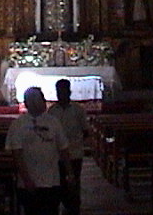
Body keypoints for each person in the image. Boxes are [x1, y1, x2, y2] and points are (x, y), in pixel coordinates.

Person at [5, 86, 73, 215]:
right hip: (29, 182)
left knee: (51, 210)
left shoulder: (53, 122)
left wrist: (70, 173)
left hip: (51, 181)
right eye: (41, 98)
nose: (44, 101)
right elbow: (17, 153)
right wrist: (26, 179)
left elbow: (63, 148)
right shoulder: (18, 125)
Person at [48, 79, 90, 215]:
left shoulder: (78, 110)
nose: (62, 95)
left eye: (64, 92)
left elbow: (85, 130)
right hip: (57, 155)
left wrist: (75, 143)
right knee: (59, 183)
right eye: (60, 92)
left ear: (69, 92)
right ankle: (63, 205)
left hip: (74, 153)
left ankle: (73, 208)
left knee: (74, 183)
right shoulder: (52, 111)